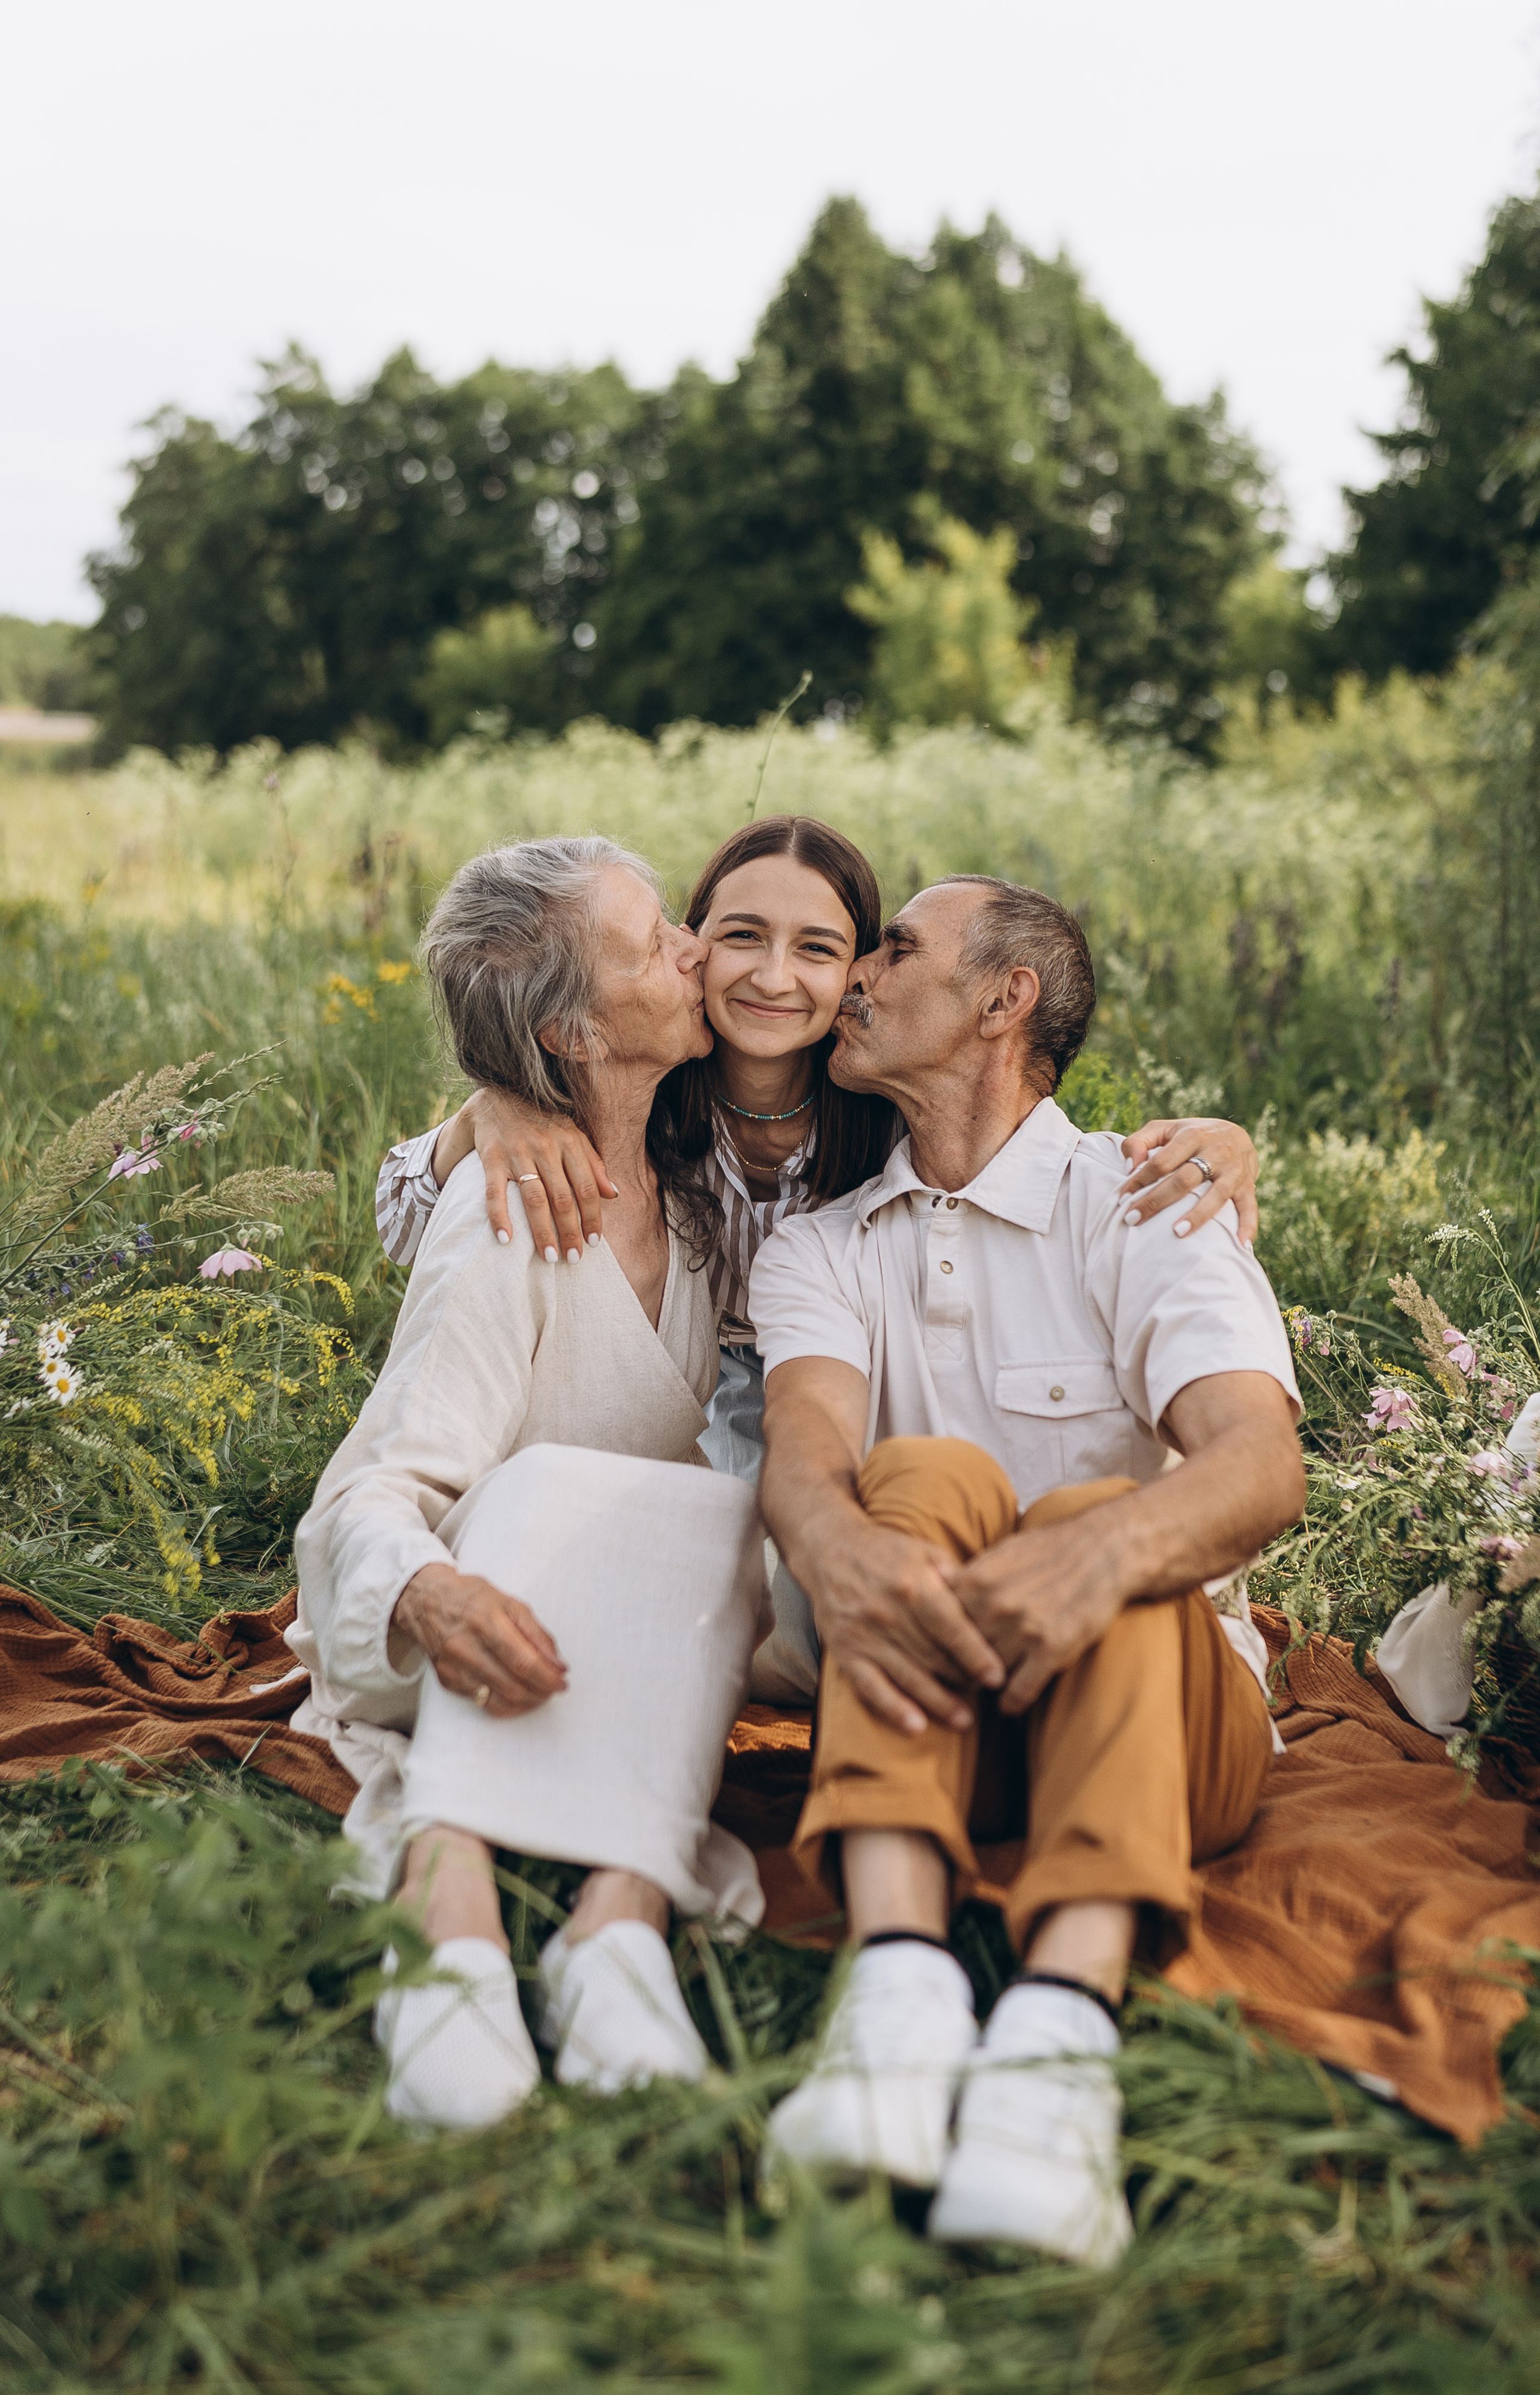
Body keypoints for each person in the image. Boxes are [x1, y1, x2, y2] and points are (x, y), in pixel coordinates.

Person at [374, 815, 1263, 1699]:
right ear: (693, 945)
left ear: (856, 969)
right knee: (701, 1606)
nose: (773, 977)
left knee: (816, 1616)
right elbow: (416, 1229)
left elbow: (1016, 1157)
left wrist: (1223, 1141)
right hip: (686, 1383)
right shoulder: (645, 1081)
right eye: (741, 937)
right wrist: (489, 1112)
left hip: (849, 1383)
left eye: (818, 949)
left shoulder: (889, 1104)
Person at [746, 874, 1306, 2265]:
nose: (854, 976)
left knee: (1098, 1514)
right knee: (914, 1481)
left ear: (1005, 999)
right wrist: (833, 1549)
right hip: (940, 1706)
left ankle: (1058, 2050)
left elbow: (1257, 1465)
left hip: (1159, 1730)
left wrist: (1097, 1552)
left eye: (894, 949)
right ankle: (899, 1994)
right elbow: (803, 1450)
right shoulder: (818, 1245)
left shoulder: (1146, 1200)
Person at [289, 836, 770, 2129]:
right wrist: (426, 1592)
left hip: (637, 1627)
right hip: (467, 1625)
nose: (696, 950)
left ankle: (618, 1917)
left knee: (724, 1513)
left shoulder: (695, 1195)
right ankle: (447, 1904)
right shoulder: (507, 1211)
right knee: (570, 1486)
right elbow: (367, 1496)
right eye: (654, 940)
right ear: (572, 1032)